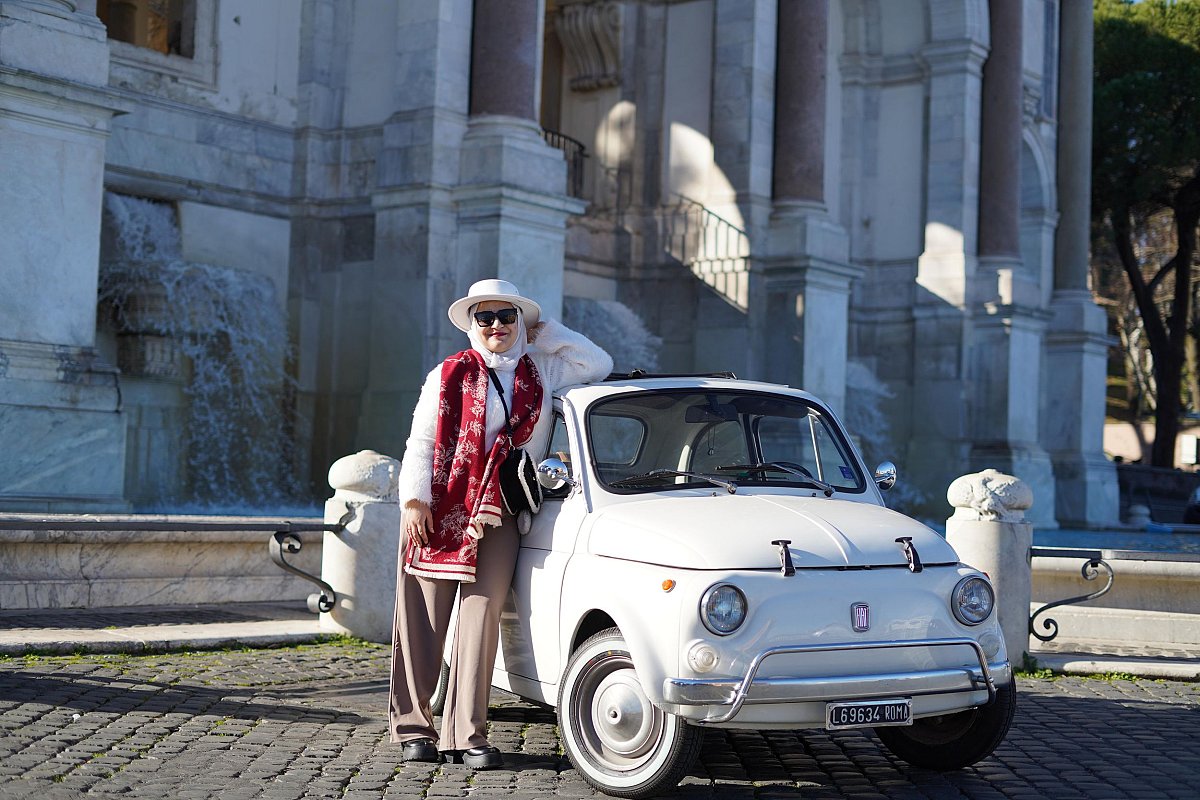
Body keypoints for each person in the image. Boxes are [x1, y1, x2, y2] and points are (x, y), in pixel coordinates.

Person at [389, 278, 613, 769]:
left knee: (483, 615)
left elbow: (598, 364)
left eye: (507, 316)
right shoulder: (447, 373)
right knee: (425, 619)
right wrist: (414, 501)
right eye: (485, 317)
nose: (496, 326)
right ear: (472, 324)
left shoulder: (544, 370)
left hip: (502, 512)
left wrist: (547, 332)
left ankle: (466, 733)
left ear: (520, 322)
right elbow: (420, 443)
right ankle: (414, 727)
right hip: (441, 509)